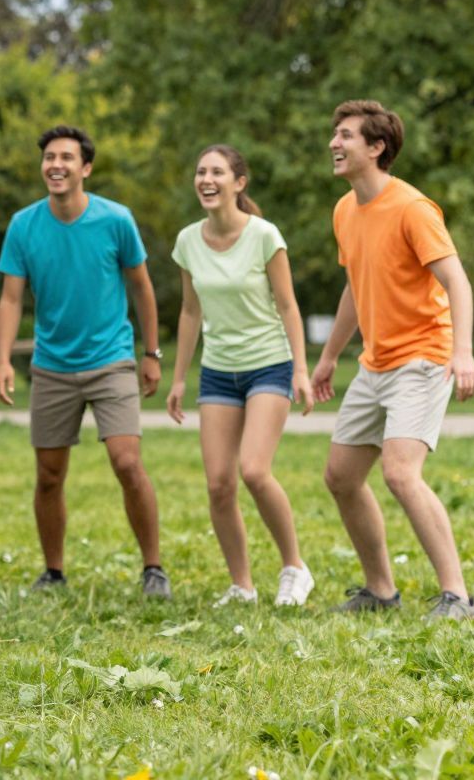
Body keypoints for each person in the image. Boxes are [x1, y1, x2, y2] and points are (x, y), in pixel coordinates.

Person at [313, 100, 474, 620]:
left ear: (376, 147)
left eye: (346, 136)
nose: (334, 143)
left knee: (401, 473)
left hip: (424, 357)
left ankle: (457, 596)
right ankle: (380, 591)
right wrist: (329, 356)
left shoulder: (413, 208)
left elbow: (456, 281)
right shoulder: (345, 210)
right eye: (335, 135)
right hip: (375, 362)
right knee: (341, 476)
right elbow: (354, 287)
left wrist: (463, 352)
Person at [0, 125, 170, 598]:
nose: (56, 165)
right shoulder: (24, 225)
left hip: (112, 360)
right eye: (49, 157)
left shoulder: (116, 220)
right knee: (49, 475)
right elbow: (11, 298)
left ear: (85, 168)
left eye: (67, 158)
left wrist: (151, 354)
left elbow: (142, 287)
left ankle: (154, 568)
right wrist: (4, 359)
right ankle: (53, 572)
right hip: (52, 365)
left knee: (127, 462)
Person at [166, 145, 316, 607]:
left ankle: (295, 568)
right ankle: (242, 585)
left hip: (269, 364)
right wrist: (178, 379)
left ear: (239, 183)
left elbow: (288, 305)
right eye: (200, 172)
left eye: (217, 172)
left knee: (253, 470)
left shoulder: (264, 236)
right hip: (218, 371)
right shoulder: (187, 241)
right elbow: (190, 312)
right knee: (218, 484)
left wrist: (301, 369)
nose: (206, 179)